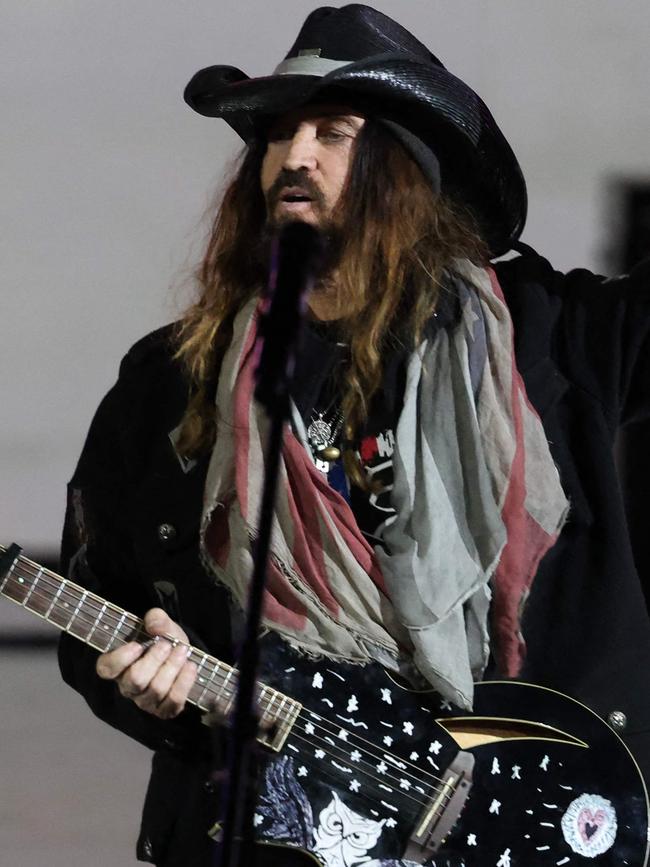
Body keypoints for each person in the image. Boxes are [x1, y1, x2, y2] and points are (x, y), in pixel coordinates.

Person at [58, 4, 650, 866]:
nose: (291, 157)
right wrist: (150, 688)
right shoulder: (172, 382)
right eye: (276, 137)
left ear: (407, 171)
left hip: (541, 823)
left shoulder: (547, 337)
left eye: (332, 132)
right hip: (281, 828)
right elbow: (98, 601)